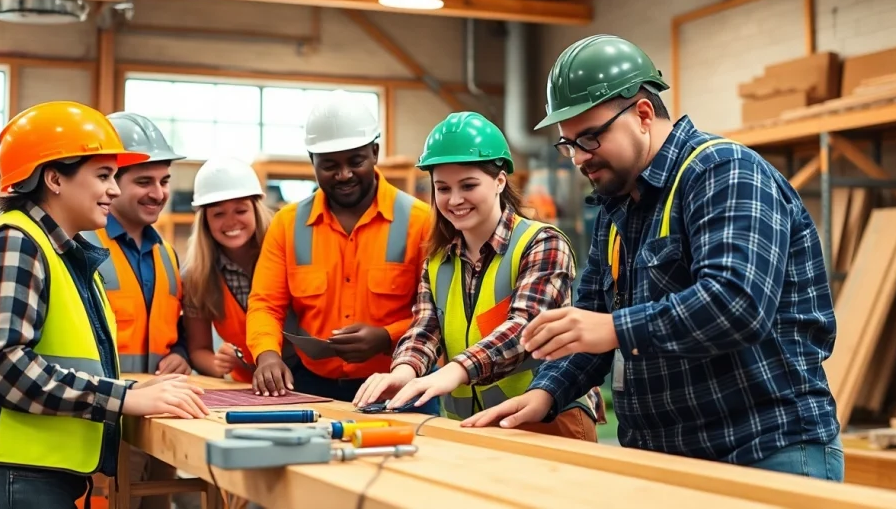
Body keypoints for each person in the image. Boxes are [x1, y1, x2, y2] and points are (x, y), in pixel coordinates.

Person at [463, 34, 842, 480]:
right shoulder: (615, 206)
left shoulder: (723, 172)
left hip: (761, 449)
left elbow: (737, 304)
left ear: (643, 113)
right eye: (568, 145)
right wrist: (546, 393)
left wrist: (614, 328)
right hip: (665, 457)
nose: (579, 158)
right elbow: (589, 322)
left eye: (590, 138)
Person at [0, 101, 209, 509]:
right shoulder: (15, 244)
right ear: (54, 178)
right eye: (103, 176)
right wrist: (123, 397)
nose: (113, 190)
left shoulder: (60, 252)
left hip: (33, 474)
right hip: (7, 476)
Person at [352, 112, 605, 441]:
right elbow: (425, 330)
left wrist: (453, 372)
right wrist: (404, 371)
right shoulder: (438, 261)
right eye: (442, 188)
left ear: (500, 181)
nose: (454, 200)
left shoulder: (542, 243)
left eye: (468, 185)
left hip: (548, 422)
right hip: (472, 428)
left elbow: (523, 330)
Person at [245, 90, 436, 412]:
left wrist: (386, 337)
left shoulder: (421, 223)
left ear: (374, 153)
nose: (344, 174)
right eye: (330, 165)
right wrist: (267, 355)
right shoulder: (287, 225)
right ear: (312, 163)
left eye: (355, 161)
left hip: (399, 388)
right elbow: (265, 304)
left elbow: (438, 312)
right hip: (312, 387)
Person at [77, 112, 191, 509]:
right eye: (143, 181)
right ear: (111, 182)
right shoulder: (79, 249)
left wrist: (180, 354)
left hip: (158, 427)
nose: (157, 193)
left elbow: (177, 331)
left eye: (164, 181)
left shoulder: (167, 254)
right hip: (97, 428)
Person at [180, 157, 275, 384]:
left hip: (302, 380)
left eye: (240, 210)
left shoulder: (283, 255)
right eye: (218, 214)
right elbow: (198, 350)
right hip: (246, 386)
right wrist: (216, 364)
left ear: (255, 210)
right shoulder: (196, 277)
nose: (231, 222)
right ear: (205, 221)